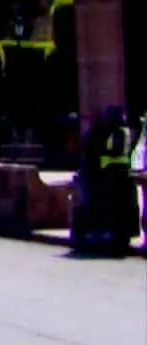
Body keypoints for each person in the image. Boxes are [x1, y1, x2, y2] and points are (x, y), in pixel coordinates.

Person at [76, 105, 135, 254]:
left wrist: (100, 154)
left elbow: (112, 151)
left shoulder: (116, 132)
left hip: (113, 174)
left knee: (110, 206)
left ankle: (106, 233)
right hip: (115, 174)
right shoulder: (119, 131)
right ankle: (107, 233)